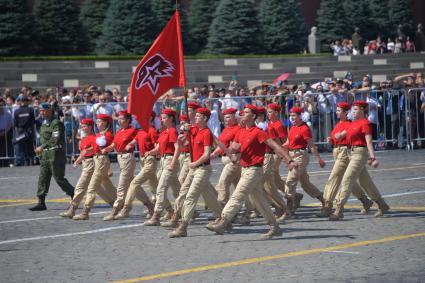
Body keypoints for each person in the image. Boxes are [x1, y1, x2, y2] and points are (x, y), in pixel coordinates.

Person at [206, 105, 296, 240]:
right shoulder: (240, 132)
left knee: (238, 195)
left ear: (253, 116)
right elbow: (233, 150)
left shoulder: (259, 132)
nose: (242, 115)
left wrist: (289, 160)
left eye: (246, 113)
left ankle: (223, 221)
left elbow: (276, 146)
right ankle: (275, 227)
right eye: (242, 113)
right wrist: (223, 147)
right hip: (244, 169)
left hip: (254, 170)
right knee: (259, 201)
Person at [329, 101, 390, 220]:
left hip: (360, 154)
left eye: (356, 109)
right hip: (350, 153)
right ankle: (382, 204)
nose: (353, 111)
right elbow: (344, 133)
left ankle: (339, 209)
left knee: (347, 178)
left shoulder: (365, 123)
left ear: (362, 110)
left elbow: (369, 142)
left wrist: (372, 157)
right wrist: (338, 136)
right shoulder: (354, 123)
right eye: (353, 109)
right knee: (365, 182)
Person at [168, 108, 223, 238]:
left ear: (205, 118)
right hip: (194, 169)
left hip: (202, 169)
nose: (195, 118)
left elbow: (207, 154)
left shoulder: (206, 133)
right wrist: (183, 132)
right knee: (206, 197)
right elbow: (185, 139)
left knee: (191, 196)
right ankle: (223, 218)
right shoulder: (194, 130)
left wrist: (195, 163)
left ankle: (183, 226)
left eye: (198, 116)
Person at [317, 102, 374, 217]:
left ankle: (327, 205)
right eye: (337, 110)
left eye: (339, 110)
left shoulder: (349, 124)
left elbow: (350, 138)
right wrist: (331, 140)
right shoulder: (338, 124)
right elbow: (335, 138)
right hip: (337, 152)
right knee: (349, 181)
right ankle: (366, 201)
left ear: (345, 112)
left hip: (344, 152)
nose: (337, 112)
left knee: (334, 177)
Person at [59, 118, 116, 218]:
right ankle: (114, 204)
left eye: (85, 126)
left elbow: (98, 152)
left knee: (81, 186)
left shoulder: (94, 137)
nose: (83, 128)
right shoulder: (83, 139)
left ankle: (73, 209)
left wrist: (108, 169)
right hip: (87, 163)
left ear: (90, 127)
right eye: (82, 126)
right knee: (98, 188)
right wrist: (77, 161)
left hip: (91, 164)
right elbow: (83, 153)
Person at [29, 103, 75, 211]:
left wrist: (42, 146)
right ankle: (41, 202)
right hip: (45, 155)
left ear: (50, 111)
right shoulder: (44, 124)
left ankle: (74, 195)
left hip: (55, 154)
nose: (41, 112)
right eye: (40, 111)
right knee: (43, 178)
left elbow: (56, 139)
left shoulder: (56, 123)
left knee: (59, 179)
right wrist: (40, 149)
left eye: (44, 111)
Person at [282, 106, 326, 219]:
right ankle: (325, 200)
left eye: (294, 116)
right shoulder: (292, 127)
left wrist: (319, 159)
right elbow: (288, 142)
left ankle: (288, 210)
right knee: (305, 183)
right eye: (291, 116)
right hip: (292, 155)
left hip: (300, 156)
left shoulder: (304, 128)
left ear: (300, 116)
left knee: (290, 180)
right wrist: (280, 149)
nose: (292, 118)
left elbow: (311, 145)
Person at [113, 112, 158, 220]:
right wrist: (130, 144)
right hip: (143, 160)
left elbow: (157, 147)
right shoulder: (140, 131)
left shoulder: (151, 131)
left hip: (150, 160)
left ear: (150, 118)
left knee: (134, 183)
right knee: (155, 188)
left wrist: (151, 152)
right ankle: (160, 209)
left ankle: (125, 209)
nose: (139, 120)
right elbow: (134, 141)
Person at [144, 108, 180, 226]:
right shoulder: (164, 132)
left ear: (171, 119)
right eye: (161, 117)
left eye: (164, 117)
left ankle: (156, 216)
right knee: (178, 190)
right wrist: (150, 152)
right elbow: (158, 149)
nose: (162, 119)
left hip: (170, 160)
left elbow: (177, 148)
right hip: (163, 160)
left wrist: (173, 162)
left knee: (161, 189)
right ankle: (176, 211)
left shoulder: (173, 131)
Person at [101, 110, 137, 221]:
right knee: (133, 184)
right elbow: (114, 144)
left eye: (121, 118)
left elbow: (138, 137)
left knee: (121, 186)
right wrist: (107, 148)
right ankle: (150, 205)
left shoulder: (133, 130)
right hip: (120, 158)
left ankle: (116, 209)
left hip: (128, 158)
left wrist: (132, 143)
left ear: (127, 120)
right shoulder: (119, 131)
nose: (119, 120)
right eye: (118, 118)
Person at [210, 108, 241, 207]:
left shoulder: (237, 129)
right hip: (226, 160)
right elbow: (221, 144)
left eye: (228, 117)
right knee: (238, 186)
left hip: (233, 159)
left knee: (223, 183)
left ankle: (221, 208)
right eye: (224, 118)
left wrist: (227, 152)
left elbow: (234, 146)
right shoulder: (226, 129)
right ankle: (251, 208)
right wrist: (214, 153)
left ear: (234, 117)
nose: (226, 119)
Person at [13, 96, 35, 166]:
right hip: (29, 131)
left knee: (22, 147)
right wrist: (33, 133)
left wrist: (17, 134)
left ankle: (24, 161)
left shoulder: (16, 111)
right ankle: (31, 160)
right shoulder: (31, 110)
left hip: (20, 132)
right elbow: (32, 122)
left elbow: (15, 125)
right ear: (25, 101)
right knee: (30, 146)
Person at [0, 97, 14, 167]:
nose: (0, 103)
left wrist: (5, 132)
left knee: (6, 148)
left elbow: (11, 124)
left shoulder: (7, 112)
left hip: (6, 131)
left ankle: (6, 163)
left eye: (1, 101)